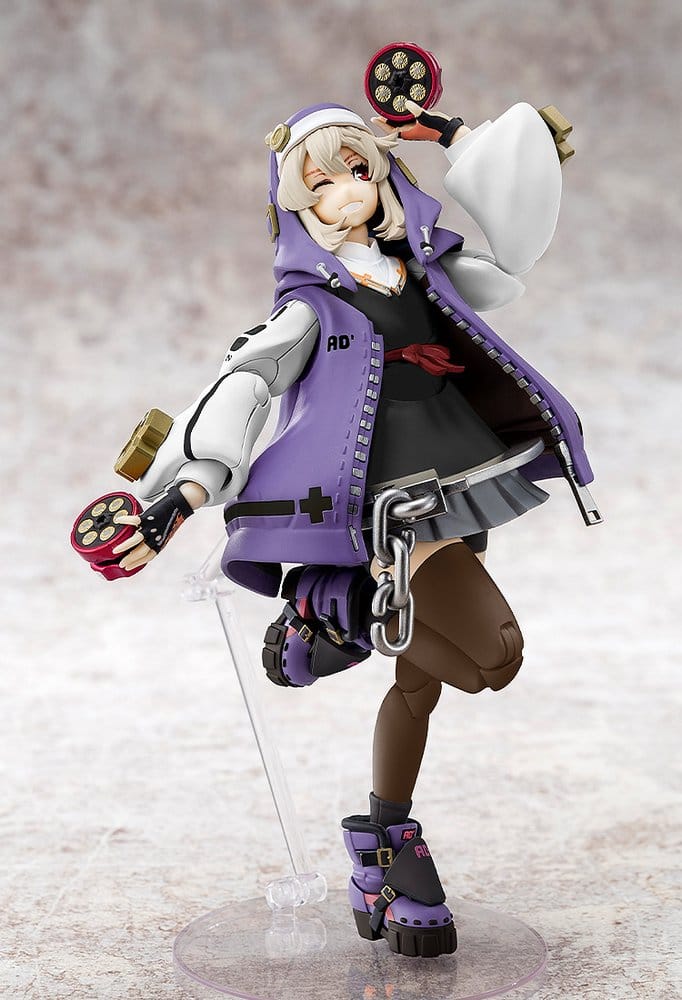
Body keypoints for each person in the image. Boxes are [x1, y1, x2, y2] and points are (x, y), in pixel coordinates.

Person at [109, 97, 598, 957]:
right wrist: (179, 497)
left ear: (382, 175)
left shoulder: (421, 266)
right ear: (297, 203)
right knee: (496, 656)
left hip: (461, 468)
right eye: (320, 183)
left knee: (421, 681)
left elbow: (510, 258)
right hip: (385, 497)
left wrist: (464, 141)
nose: (344, 193)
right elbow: (246, 381)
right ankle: (341, 610)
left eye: (357, 170)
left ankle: (383, 839)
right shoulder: (310, 302)